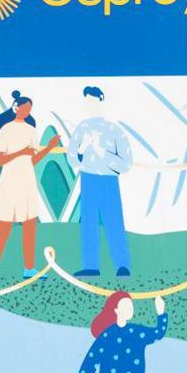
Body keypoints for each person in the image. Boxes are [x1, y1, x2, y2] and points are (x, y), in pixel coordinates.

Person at [0, 91, 60, 281]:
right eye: (25, 108)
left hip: (27, 182)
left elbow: (32, 160)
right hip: (9, 182)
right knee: (4, 226)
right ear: (17, 107)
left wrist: (49, 147)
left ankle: (29, 269)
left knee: (29, 226)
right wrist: (20, 152)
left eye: (29, 109)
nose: (27, 111)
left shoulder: (32, 131)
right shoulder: (6, 130)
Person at [68, 85, 134, 277]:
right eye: (86, 101)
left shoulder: (114, 130)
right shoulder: (82, 129)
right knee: (88, 222)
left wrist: (101, 151)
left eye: (92, 101)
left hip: (108, 181)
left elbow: (126, 163)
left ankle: (122, 265)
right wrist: (82, 150)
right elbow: (71, 159)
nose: (89, 105)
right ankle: (91, 266)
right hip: (88, 179)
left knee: (114, 221)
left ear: (101, 101)